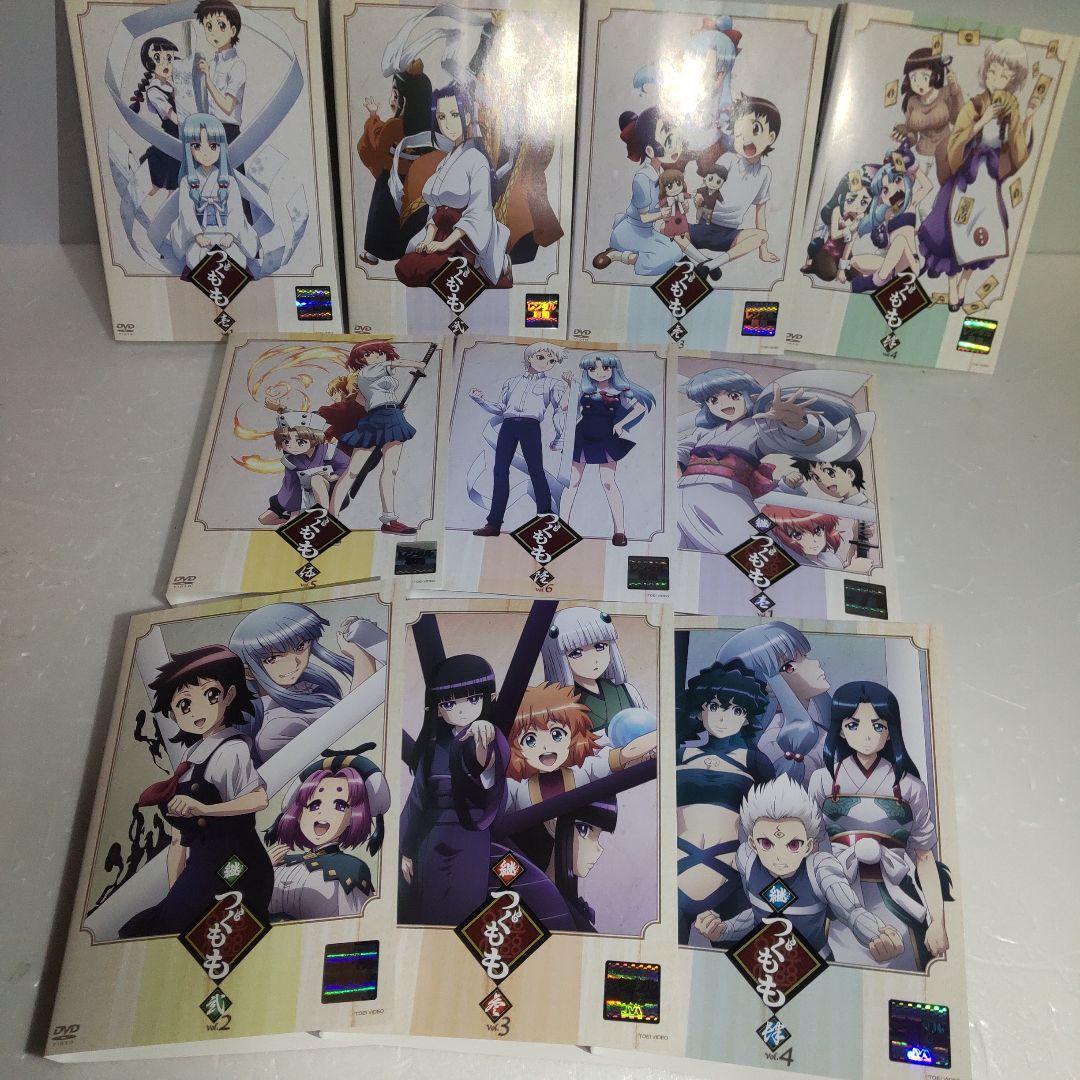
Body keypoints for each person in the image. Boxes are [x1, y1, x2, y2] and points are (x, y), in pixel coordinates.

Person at [118, 645, 272, 937]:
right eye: (184, 704)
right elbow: (178, 839)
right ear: (173, 713)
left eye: (210, 694)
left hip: (237, 864)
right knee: (151, 928)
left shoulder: (232, 750)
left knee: (210, 935)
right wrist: (175, 891)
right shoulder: (191, 757)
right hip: (201, 868)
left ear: (229, 695)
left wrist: (204, 809)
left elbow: (259, 798)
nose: (197, 710)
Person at [808, 681, 952, 971]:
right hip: (839, 893)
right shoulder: (822, 781)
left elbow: (924, 857)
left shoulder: (910, 787)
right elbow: (810, 850)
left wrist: (938, 922)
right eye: (853, 725)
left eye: (877, 726)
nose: (866, 735)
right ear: (840, 730)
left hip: (897, 894)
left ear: (890, 731)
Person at [694, 776, 904, 963]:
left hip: (811, 966)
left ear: (809, 846)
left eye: (793, 844)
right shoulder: (747, 860)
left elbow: (852, 913)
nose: (778, 856)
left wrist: (879, 935)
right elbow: (760, 914)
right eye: (766, 843)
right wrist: (724, 930)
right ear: (752, 843)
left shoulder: (820, 870)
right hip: (763, 963)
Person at [676, 367, 875, 554]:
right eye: (713, 400)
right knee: (689, 552)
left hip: (727, 497)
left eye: (734, 395)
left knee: (761, 553)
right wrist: (677, 467)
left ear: (749, 395)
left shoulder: (759, 427)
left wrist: (796, 423)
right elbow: (680, 449)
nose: (723, 403)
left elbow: (800, 440)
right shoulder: (704, 432)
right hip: (682, 496)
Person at [919, 38, 1042, 310]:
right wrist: (982, 122)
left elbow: (1017, 150)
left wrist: (1028, 119)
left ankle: (964, 282)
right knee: (953, 231)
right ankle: (952, 285)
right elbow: (956, 141)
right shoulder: (974, 105)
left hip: (989, 180)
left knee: (984, 233)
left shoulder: (1011, 107)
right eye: (992, 72)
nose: (995, 79)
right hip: (966, 176)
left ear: (1013, 80)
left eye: (1004, 76)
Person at [398, 654, 506, 927]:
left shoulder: (491, 738)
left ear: (488, 698)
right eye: (449, 703)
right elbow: (416, 802)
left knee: (466, 908)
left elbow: (490, 775)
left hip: (471, 836)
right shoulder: (432, 749)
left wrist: (484, 741)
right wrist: (406, 849)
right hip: (431, 836)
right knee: (429, 908)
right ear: (437, 709)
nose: (462, 710)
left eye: (473, 699)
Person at [676, 659, 773, 945]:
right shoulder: (678, 755)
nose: (723, 717)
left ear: (747, 718)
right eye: (715, 706)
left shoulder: (755, 762)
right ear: (701, 709)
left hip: (731, 878)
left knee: (743, 963)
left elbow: (776, 822)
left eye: (736, 710)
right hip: (673, 875)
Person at [228, 606, 384, 764]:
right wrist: (362, 658)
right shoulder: (275, 729)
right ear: (248, 671)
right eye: (272, 659)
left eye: (300, 647)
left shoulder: (308, 686)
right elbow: (355, 731)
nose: (294, 662)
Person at [395, 83, 511, 288]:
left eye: (454, 115)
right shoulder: (444, 162)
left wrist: (443, 244)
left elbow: (479, 213)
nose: (447, 124)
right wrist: (428, 239)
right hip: (440, 234)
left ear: (466, 117)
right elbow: (434, 212)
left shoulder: (476, 159)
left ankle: (498, 264)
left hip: (464, 241)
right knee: (407, 267)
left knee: (427, 272)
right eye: (441, 117)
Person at [265, 747, 390, 920]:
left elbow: (357, 924)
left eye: (339, 805)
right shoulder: (281, 861)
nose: (322, 812)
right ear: (299, 814)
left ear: (353, 816)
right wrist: (262, 868)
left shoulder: (350, 869)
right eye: (314, 805)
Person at [591, 108, 710, 278]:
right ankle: (618, 255)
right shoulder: (642, 179)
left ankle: (702, 261)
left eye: (677, 138)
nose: (677, 146)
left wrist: (681, 205)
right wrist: (662, 214)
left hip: (647, 232)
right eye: (669, 141)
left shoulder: (661, 173)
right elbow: (644, 217)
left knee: (676, 251)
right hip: (631, 232)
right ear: (650, 151)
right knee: (668, 256)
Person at [469, 343, 567, 537]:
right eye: (541, 357)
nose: (546, 363)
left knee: (536, 470)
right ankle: (493, 523)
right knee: (500, 471)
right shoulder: (512, 382)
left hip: (531, 426)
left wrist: (560, 435)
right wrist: (480, 400)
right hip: (508, 426)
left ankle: (545, 517)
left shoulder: (552, 384)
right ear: (529, 357)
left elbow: (560, 409)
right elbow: (501, 408)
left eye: (551, 361)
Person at [328, 340, 427, 532]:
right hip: (377, 418)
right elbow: (396, 363)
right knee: (353, 471)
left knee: (391, 470)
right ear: (360, 359)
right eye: (367, 354)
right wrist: (417, 364)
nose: (375, 356)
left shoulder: (378, 373)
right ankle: (331, 520)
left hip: (393, 416)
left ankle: (389, 519)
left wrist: (392, 405)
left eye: (380, 352)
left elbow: (364, 400)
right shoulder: (368, 370)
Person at [715, 622, 831, 784]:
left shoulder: (815, 732)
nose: (816, 663)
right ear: (766, 685)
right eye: (790, 665)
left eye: (804, 656)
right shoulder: (772, 740)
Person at [559, 353, 656, 546]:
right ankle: (562, 528)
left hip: (606, 438)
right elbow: (564, 406)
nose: (599, 372)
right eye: (592, 369)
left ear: (613, 369)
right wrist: (569, 386)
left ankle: (620, 531)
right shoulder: (584, 389)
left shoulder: (620, 392)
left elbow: (639, 408)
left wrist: (621, 424)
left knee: (608, 482)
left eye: (605, 368)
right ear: (587, 371)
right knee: (572, 482)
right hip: (583, 436)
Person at [690, 95, 783, 276]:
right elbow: (706, 189)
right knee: (667, 229)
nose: (745, 137)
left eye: (754, 129)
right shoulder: (729, 159)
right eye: (739, 133)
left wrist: (763, 251)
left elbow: (760, 212)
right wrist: (699, 205)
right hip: (705, 225)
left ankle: (711, 265)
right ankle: (701, 259)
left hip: (730, 236)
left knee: (762, 236)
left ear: (770, 137)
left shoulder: (765, 173)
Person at [356, 60, 434, 264]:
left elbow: (376, 144)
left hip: (391, 181)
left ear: (406, 100)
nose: (392, 99)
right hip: (417, 183)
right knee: (412, 218)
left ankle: (373, 253)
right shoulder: (431, 126)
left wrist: (373, 116)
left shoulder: (393, 126)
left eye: (396, 95)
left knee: (382, 215)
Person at [168, 112, 258, 274]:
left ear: (221, 147)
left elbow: (236, 210)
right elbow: (186, 212)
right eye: (197, 146)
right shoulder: (187, 182)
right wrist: (198, 235)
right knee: (195, 259)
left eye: (213, 146)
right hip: (201, 234)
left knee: (237, 259)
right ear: (189, 149)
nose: (205, 152)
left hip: (225, 232)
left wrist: (230, 235)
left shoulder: (229, 181)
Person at [541, 607, 645, 736]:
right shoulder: (558, 707)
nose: (593, 659)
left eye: (600, 646)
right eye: (576, 653)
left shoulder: (627, 691)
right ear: (557, 658)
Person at [193, 0, 252, 222]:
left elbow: (228, 106)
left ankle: (245, 231)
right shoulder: (210, 62)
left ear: (233, 30)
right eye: (209, 27)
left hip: (228, 132)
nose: (214, 32)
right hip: (207, 131)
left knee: (235, 184)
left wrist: (207, 79)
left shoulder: (237, 65)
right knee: (207, 185)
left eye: (220, 25)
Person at [259, 411, 350, 526]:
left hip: (329, 493)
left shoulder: (328, 451)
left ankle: (324, 517)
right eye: (286, 441)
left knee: (316, 479)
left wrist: (334, 476)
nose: (290, 446)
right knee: (263, 519)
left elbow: (346, 465)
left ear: (314, 439)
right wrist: (294, 515)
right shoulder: (291, 460)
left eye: (300, 441)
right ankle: (302, 522)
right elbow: (292, 487)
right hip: (300, 497)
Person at [129, 36, 181, 195]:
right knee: (164, 184)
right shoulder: (154, 91)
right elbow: (172, 115)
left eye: (169, 58)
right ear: (150, 63)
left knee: (168, 184)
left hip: (179, 140)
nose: (165, 64)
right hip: (172, 140)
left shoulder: (172, 85)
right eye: (158, 58)